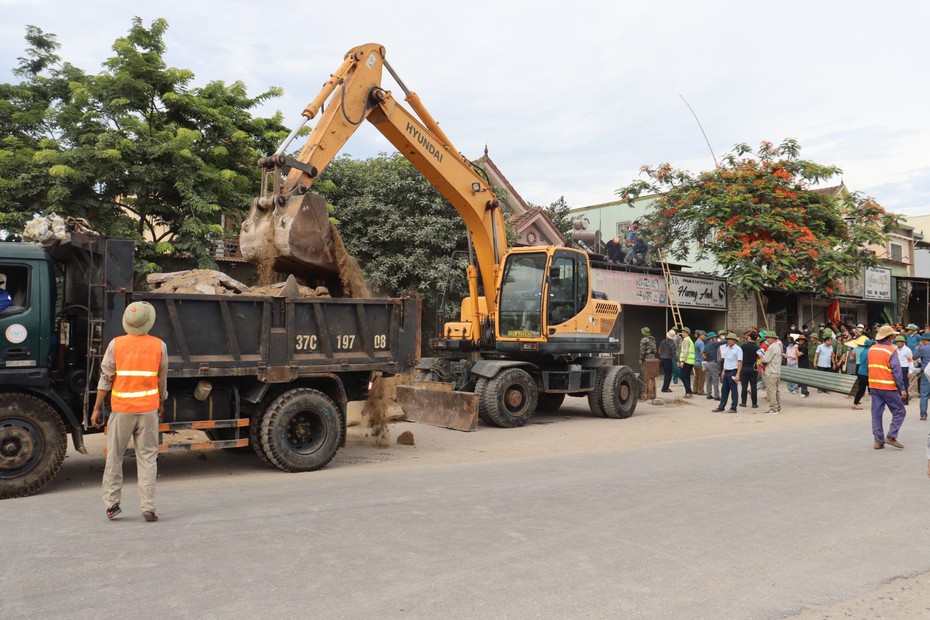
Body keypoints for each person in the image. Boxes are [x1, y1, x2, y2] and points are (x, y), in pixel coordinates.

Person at [91, 301, 168, 522]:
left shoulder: (116, 345)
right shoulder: (159, 346)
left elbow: (105, 379)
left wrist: (96, 408)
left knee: (115, 457)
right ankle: (148, 507)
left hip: (122, 411)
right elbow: (161, 379)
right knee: (147, 458)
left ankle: (113, 504)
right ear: (148, 323)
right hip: (148, 411)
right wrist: (161, 401)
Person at [867, 325, 908, 450]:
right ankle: (891, 436)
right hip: (888, 386)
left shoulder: (872, 349)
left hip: (874, 385)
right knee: (900, 411)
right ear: (889, 337)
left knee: (876, 413)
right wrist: (902, 388)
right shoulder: (891, 351)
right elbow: (896, 371)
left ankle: (878, 441)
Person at [713, 333, 743, 413]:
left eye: (730, 339)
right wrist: (723, 371)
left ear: (734, 341)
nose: (729, 341)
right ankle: (721, 406)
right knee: (724, 390)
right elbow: (726, 361)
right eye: (728, 339)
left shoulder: (738, 349)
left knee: (733, 390)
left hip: (733, 371)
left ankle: (733, 407)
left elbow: (740, 362)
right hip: (726, 371)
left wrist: (738, 374)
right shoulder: (727, 348)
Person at [759, 330, 783, 414]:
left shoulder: (772, 347)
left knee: (771, 391)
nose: (767, 339)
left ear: (773, 338)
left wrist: (761, 359)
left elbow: (765, 359)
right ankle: (778, 407)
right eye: (767, 338)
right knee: (776, 391)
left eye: (769, 338)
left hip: (771, 372)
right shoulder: (777, 347)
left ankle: (774, 408)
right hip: (776, 371)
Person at [739, 331, 760, 409]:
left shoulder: (743, 346)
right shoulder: (757, 348)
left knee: (744, 386)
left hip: (744, 367)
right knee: (753, 386)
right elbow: (760, 358)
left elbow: (740, 357)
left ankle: (743, 402)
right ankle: (754, 404)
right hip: (753, 368)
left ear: (749, 337)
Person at [851, 338, 873, 410]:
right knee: (873, 389)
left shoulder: (863, 351)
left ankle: (855, 404)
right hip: (866, 373)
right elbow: (868, 363)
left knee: (861, 389)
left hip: (861, 371)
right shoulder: (869, 352)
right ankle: (877, 405)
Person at [913, 332, 930, 421]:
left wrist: (919, 347)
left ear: (924, 340)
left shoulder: (922, 348)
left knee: (924, 395)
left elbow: (914, 357)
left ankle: (923, 415)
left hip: (926, 374)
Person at [703, 331, 722, 400]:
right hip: (713, 363)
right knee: (715, 379)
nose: (716, 338)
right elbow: (722, 343)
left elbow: (704, 354)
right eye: (715, 337)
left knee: (709, 379)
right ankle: (716, 395)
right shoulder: (713, 344)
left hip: (707, 363)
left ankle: (708, 394)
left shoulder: (706, 345)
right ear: (712, 338)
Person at [678, 326, 695, 398]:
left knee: (683, 376)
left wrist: (682, 361)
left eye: (684, 332)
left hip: (687, 361)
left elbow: (685, 351)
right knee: (687, 376)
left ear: (687, 333)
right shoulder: (689, 340)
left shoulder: (686, 340)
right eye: (682, 332)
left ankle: (688, 392)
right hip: (690, 361)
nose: (682, 333)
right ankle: (689, 391)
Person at [692, 331, 706, 396]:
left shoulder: (696, 342)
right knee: (702, 377)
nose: (705, 337)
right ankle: (701, 391)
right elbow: (703, 352)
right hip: (701, 362)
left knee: (696, 377)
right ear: (701, 335)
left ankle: (695, 390)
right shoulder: (701, 343)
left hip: (696, 362)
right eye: (705, 336)